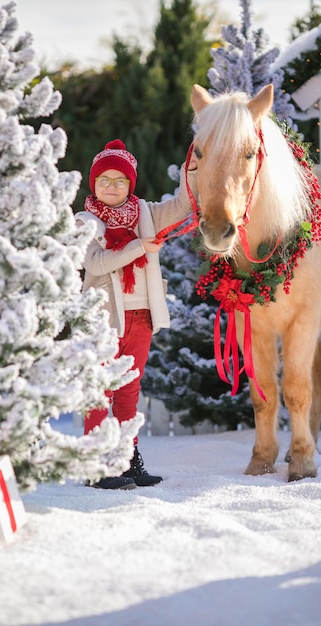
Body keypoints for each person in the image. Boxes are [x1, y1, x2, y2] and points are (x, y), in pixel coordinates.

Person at [77, 139, 197, 489]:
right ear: (94, 184)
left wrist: (193, 166)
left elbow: (184, 204)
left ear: (131, 185)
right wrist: (139, 247)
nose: (111, 187)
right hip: (102, 319)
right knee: (100, 390)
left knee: (129, 390)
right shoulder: (86, 221)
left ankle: (127, 460)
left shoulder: (145, 213)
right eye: (104, 180)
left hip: (140, 316)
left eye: (120, 181)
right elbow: (95, 263)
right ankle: (97, 465)